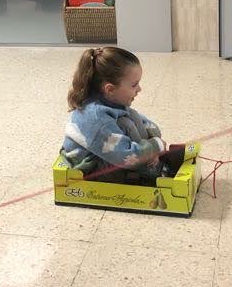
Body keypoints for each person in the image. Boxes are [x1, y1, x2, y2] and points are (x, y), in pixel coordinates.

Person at [61, 47, 179, 185]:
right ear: (110, 89)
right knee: (125, 124)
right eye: (134, 85)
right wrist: (155, 147)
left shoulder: (109, 100)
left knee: (131, 116)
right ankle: (151, 170)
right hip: (90, 168)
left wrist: (154, 140)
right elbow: (124, 156)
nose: (139, 89)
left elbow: (141, 121)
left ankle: (149, 163)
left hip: (108, 154)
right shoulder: (97, 119)